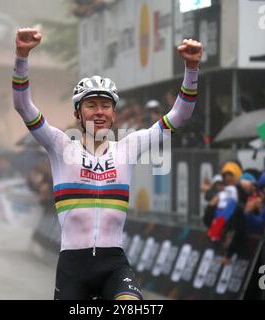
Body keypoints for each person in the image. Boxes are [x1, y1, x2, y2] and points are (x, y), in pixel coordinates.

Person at [12, 27, 203, 300]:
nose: (99, 112)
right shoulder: (60, 146)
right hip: (72, 269)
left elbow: (180, 116)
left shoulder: (129, 146)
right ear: (77, 113)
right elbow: (23, 106)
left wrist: (192, 68)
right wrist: (21, 57)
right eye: (91, 105)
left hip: (113, 265)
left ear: (114, 114)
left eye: (105, 105)